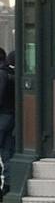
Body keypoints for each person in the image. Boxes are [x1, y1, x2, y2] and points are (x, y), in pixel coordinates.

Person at [0, 49, 15, 191]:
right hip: (10, 116)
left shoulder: (2, 74)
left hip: (3, 116)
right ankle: (8, 184)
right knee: (6, 151)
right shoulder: (11, 74)